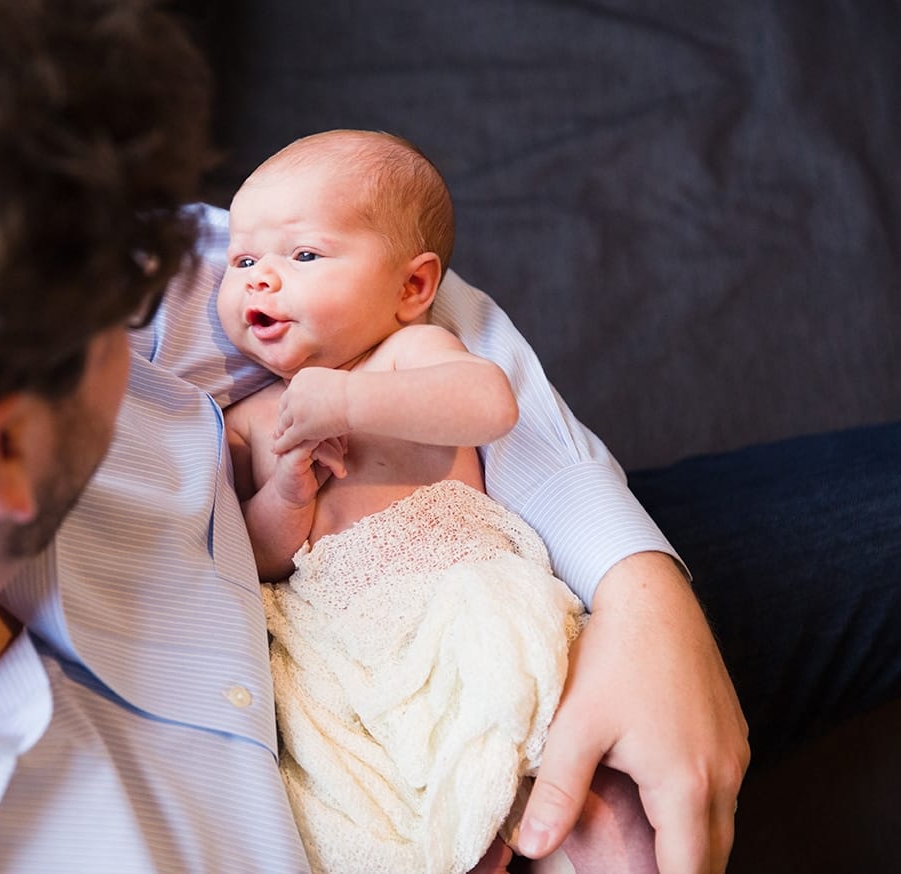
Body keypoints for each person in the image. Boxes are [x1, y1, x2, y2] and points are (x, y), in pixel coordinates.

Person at [0, 1, 750, 872]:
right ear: (2, 457)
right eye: (120, 297)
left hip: (506, 590)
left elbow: (409, 302)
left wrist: (642, 588)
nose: (175, 286)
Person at [216, 129, 657, 873]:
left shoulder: (409, 355)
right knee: (380, 804)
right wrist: (287, 489)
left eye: (303, 255)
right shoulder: (255, 421)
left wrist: (350, 400)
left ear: (411, 289)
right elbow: (255, 557)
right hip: (338, 640)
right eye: (242, 260)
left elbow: (488, 406)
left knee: (585, 793)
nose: (260, 279)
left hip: (458, 600)